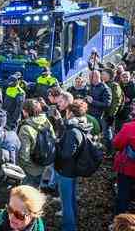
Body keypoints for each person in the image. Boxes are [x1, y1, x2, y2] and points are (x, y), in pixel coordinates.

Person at [55, 99, 92, 231]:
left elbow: (66, 154)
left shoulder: (72, 131)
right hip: (75, 168)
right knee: (70, 197)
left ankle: (69, 227)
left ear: (70, 113)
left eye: (67, 111)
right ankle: (74, 218)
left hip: (67, 170)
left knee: (66, 203)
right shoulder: (82, 124)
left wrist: (56, 144)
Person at [18, 99, 55, 187]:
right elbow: (53, 138)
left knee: (26, 195)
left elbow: (24, 155)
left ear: (25, 111)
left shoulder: (25, 128)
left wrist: (20, 168)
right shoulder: (45, 120)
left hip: (30, 169)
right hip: (44, 164)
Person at [112, 119, 135, 215]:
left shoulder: (129, 126)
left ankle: (119, 222)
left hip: (127, 168)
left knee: (122, 196)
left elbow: (117, 144)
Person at [101, 68, 124, 152]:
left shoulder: (114, 86)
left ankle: (111, 150)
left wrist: (111, 115)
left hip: (108, 114)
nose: (101, 75)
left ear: (109, 75)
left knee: (108, 133)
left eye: (103, 74)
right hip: (103, 113)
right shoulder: (103, 84)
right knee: (105, 132)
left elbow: (116, 102)